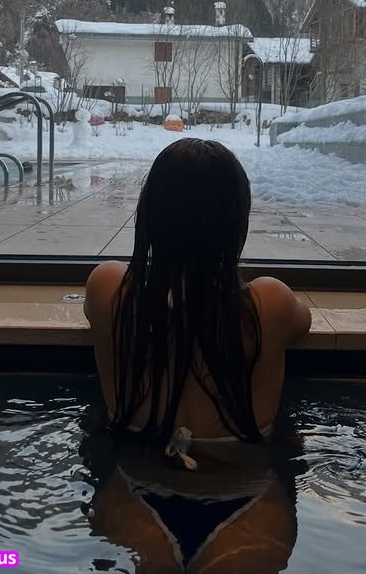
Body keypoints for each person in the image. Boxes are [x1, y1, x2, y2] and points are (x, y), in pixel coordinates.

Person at [84, 139, 311, 572]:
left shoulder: (109, 290)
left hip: (135, 489)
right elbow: (304, 324)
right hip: (247, 496)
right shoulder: (269, 304)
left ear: (150, 216)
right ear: (237, 223)